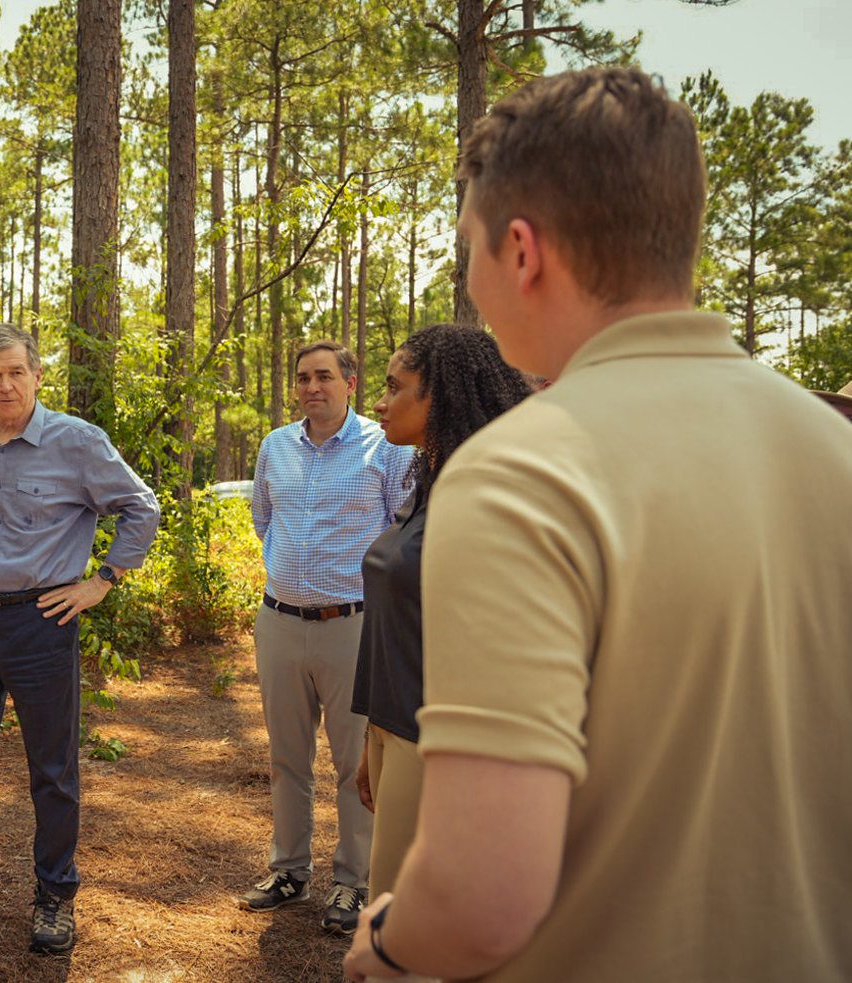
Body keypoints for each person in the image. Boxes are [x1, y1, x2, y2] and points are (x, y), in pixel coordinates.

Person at [343, 67, 852, 982]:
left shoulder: (521, 475)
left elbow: (476, 897)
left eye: (469, 246)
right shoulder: (833, 448)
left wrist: (381, 944)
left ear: (523, 251)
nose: (469, 275)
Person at [0, 323, 160, 955]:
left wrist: (101, 582)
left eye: (16, 372)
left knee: (52, 769)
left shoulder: (78, 443)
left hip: (41, 624)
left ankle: (55, 896)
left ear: (37, 375)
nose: (5, 385)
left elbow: (141, 509)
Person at [348, 324, 531, 906]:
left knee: (400, 919)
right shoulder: (429, 480)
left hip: (436, 741)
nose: (378, 402)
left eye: (394, 387)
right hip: (392, 724)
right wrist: (371, 739)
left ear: (442, 397)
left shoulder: (485, 498)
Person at [242, 339, 414, 933]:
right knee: (287, 756)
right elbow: (264, 519)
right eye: (302, 378)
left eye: (323, 376)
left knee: (354, 763)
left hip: (355, 627)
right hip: (281, 622)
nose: (312, 387)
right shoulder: (274, 447)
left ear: (350, 382)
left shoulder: (382, 449)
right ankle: (288, 870)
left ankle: (352, 881)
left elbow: (399, 530)